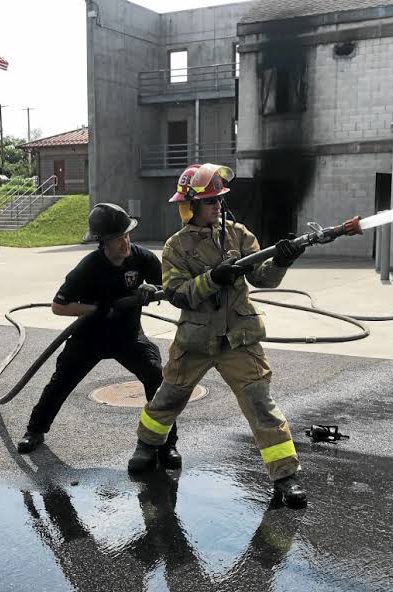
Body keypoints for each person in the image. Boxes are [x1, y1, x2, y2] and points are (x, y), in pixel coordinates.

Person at [128, 164, 306, 507]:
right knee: (169, 397)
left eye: (220, 199)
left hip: (238, 338)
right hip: (196, 340)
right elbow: (177, 293)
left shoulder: (239, 235)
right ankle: (147, 445)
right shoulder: (176, 246)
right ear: (191, 206)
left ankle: (285, 476)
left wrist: (283, 261)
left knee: (260, 404)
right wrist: (213, 279)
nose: (218, 205)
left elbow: (263, 279)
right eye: (210, 201)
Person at [17, 202, 181, 469]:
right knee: (61, 382)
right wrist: (97, 309)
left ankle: (168, 444)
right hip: (89, 337)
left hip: (128, 336)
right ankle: (35, 430)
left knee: (155, 377)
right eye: (117, 238)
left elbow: (169, 285)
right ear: (103, 241)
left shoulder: (143, 259)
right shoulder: (89, 267)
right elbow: (59, 306)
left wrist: (153, 288)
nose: (124, 242)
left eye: (126, 235)